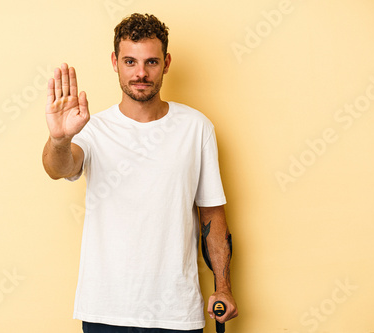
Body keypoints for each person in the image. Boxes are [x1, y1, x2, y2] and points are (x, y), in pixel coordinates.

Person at [42, 13, 238, 333]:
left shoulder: (196, 127)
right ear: (115, 62)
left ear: (167, 62)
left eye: (151, 62)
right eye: (130, 61)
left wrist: (224, 287)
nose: (141, 73)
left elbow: (212, 215)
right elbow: (58, 167)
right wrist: (60, 138)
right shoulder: (93, 128)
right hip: (106, 309)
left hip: (175, 310)